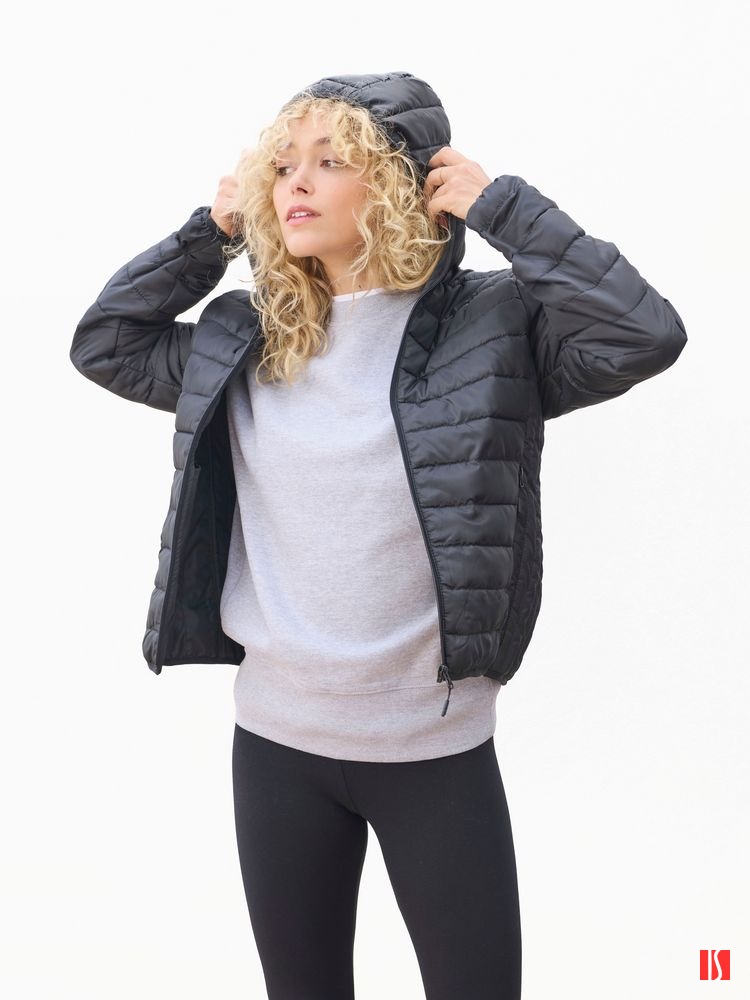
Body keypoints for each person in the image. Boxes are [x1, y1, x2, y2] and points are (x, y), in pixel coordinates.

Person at [69, 71, 688, 1000]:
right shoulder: (247, 337)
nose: (296, 181)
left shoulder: (494, 330)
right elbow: (105, 342)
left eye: (331, 160)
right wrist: (211, 234)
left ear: (400, 183)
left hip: (432, 752)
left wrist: (505, 208)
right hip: (275, 746)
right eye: (283, 164)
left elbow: (644, 335)